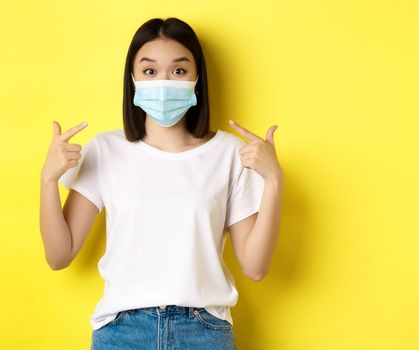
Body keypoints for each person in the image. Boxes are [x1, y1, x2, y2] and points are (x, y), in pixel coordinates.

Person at [38, 17, 284, 349]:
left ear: (197, 79)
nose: (164, 81)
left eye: (179, 71)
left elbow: (255, 266)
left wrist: (273, 181)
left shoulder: (228, 153)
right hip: (121, 332)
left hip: (203, 332)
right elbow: (59, 255)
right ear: (133, 79)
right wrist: (48, 180)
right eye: (150, 71)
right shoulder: (105, 149)